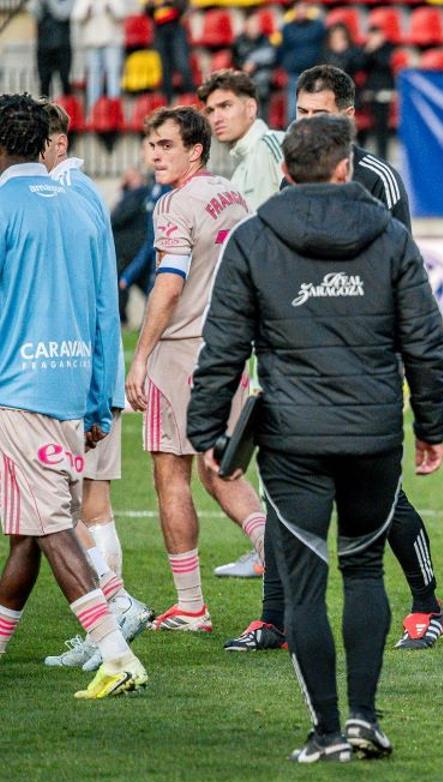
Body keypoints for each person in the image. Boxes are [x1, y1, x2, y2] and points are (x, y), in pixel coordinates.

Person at [188, 114, 443, 762]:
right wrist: (432, 427)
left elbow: (222, 347)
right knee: (364, 572)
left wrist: (204, 429)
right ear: (344, 169)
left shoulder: (252, 238)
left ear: (283, 172)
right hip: (372, 434)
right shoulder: (389, 236)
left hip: (292, 441)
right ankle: (364, 719)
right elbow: (424, 342)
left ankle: (326, 731)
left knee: (305, 584)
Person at [233, 63, 443, 653]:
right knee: (281, 493)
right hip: (296, 363)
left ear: (349, 116)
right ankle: (273, 619)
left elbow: (405, 277)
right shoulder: (292, 178)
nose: (306, 124)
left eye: (318, 113)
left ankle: (428, 604)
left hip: (361, 366)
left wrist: (402, 364)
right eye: (300, 113)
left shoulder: (379, 178)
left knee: (382, 499)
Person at [0, 93, 146, 699]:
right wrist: (96, 400)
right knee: (30, 529)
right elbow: (100, 309)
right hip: (70, 390)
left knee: (52, 528)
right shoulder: (85, 206)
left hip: (18, 392)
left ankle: (117, 654)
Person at [125, 106, 268, 633]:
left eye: (166, 145)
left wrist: (141, 356)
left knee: (172, 476)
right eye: (152, 144)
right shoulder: (231, 195)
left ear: (195, 152)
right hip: (228, 349)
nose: (155, 154)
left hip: (181, 353)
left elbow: (169, 284)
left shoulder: (174, 204)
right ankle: (276, 553)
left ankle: (190, 605)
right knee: (221, 468)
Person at [38, 101, 153, 672]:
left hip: (79, 371)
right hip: (90, 368)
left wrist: (93, 387)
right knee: (87, 503)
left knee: (68, 507)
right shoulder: (78, 194)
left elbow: (85, 294)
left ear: (58, 143)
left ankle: (115, 608)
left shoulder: (67, 196)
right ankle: (112, 614)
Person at [199, 69, 285, 212]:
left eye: (225, 106)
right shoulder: (238, 174)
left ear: (251, 108)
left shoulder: (274, 145)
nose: (216, 119)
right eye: (210, 111)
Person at [110, 167, 152, 325]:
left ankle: (123, 320)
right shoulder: (139, 195)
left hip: (129, 251)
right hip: (131, 250)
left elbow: (116, 218)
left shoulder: (137, 195)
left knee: (124, 284)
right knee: (136, 285)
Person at [72, 0, 130, 112]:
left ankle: (114, 110)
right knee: (94, 77)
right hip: (92, 43)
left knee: (113, 75)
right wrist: (88, 9)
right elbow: (76, 16)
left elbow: (122, 14)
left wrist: (110, 7)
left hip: (112, 42)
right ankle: (94, 111)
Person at [279, 0, 326, 123]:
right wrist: (285, 65)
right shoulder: (287, 28)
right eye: (298, 8)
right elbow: (282, 50)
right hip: (294, 73)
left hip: (314, 73)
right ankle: (291, 137)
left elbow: (324, 46)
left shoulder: (318, 26)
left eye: (304, 8)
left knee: (315, 107)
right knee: (292, 110)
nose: (301, 11)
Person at [359, 25, 397, 160]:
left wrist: (375, 49)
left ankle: (383, 156)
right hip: (370, 90)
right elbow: (360, 65)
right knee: (367, 125)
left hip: (385, 90)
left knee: (382, 126)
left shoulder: (388, 47)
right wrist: (369, 50)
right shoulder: (365, 49)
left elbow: (385, 63)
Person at [146, 0, 193, 100]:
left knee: (182, 63)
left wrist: (168, 2)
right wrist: (152, 5)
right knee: (164, 67)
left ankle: (191, 97)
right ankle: (168, 100)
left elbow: (184, 6)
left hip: (176, 27)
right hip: (159, 29)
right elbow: (147, 11)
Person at [232, 12, 276, 117]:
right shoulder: (239, 41)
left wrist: (255, 64)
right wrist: (243, 65)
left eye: (256, 25)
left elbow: (271, 59)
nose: (255, 28)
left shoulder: (265, 39)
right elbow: (235, 59)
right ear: (246, 26)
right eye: (252, 25)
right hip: (246, 79)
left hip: (263, 81)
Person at [31, 0, 74, 99]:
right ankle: (44, 111)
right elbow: (34, 13)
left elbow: (62, 14)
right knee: (44, 83)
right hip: (44, 47)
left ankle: (66, 111)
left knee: (65, 81)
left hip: (62, 47)